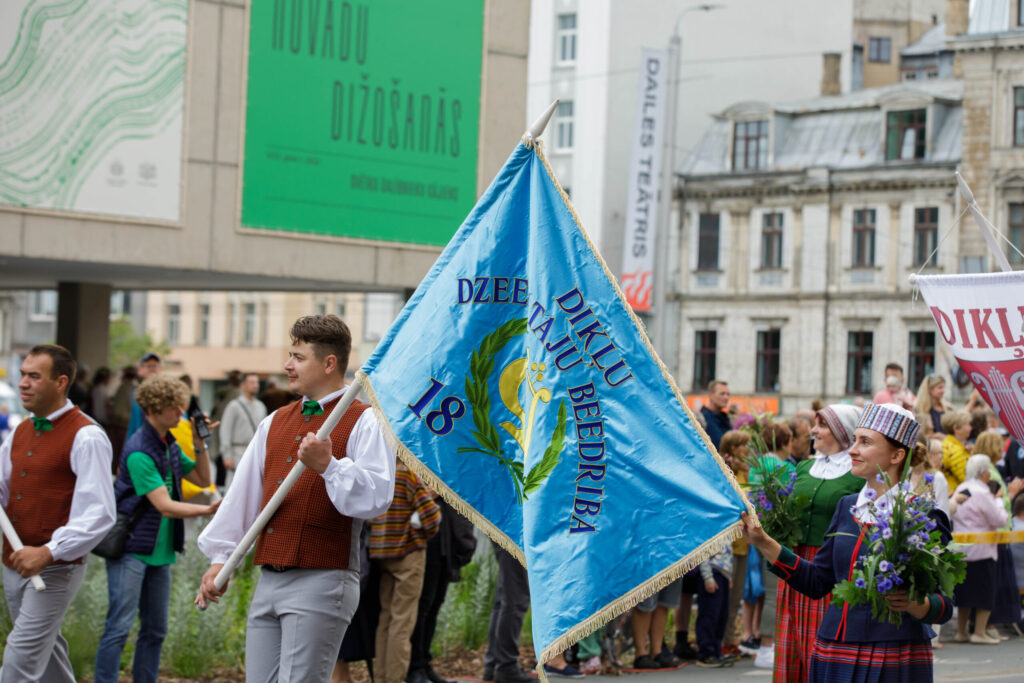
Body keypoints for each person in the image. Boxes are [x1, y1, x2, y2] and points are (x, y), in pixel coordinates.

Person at [196, 315, 398, 681]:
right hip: (269, 577)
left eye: (298, 357)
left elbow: (376, 497)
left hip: (323, 578)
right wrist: (220, 559)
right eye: (290, 355)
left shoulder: (366, 420)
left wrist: (329, 466)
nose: (287, 365)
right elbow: (243, 496)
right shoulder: (273, 421)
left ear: (329, 363)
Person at [742, 403, 954, 682]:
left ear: (897, 455)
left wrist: (917, 605)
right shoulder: (847, 506)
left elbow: (945, 604)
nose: (853, 450)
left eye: (865, 442)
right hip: (833, 646)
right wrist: (764, 542)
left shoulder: (923, 515)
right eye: (854, 440)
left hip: (892, 651)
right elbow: (818, 581)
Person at [94, 375, 221, 682]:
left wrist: (200, 441)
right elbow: (164, 505)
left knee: (155, 630)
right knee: (119, 627)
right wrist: (206, 509)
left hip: (159, 551)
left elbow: (203, 480)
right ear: (154, 408)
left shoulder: (169, 444)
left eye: (181, 404)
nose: (181, 410)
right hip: (133, 549)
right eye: (173, 406)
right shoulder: (139, 450)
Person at [1, 344, 116, 681]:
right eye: (23, 374)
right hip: (14, 562)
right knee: (46, 654)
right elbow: (5, 489)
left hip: (55, 568)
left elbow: (99, 513)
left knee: (19, 659)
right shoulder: (20, 430)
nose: (23, 382)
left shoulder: (87, 436)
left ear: (60, 382)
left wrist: (49, 551)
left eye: (34, 376)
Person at [774, 404, 863, 683]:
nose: (814, 431)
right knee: (790, 645)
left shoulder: (856, 474)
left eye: (822, 425)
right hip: (794, 561)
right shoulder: (803, 466)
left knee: (818, 645)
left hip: (830, 568)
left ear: (841, 431)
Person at [369, 460, 441, 683]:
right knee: (402, 622)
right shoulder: (408, 475)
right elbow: (431, 516)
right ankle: (396, 678)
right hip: (408, 554)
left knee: (385, 620)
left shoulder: (379, 473)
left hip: (382, 554)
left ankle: (380, 677)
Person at [408, 497, 477, 683]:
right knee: (422, 605)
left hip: (446, 531)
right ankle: (414, 667)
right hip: (424, 529)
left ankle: (424, 664)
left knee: (435, 603)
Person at [951, 454, 1009, 644]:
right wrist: (998, 499)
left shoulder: (962, 488)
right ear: (984, 473)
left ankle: (961, 631)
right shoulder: (983, 493)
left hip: (961, 549)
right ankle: (980, 632)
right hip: (982, 550)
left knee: (964, 594)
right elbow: (999, 519)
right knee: (985, 593)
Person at [715, 430, 752, 658]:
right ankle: (720, 641)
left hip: (743, 542)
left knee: (736, 596)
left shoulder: (744, 470)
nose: (748, 449)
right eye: (744, 445)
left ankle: (730, 639)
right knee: (725, 598)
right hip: (728, 543)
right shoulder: (725, 468)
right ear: (733, 447)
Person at [218, 373, 268, 488]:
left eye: (257, 383)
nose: (255, 386)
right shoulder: (234, 405)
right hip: (237, 451)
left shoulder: (261, 406)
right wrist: (227, 455)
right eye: (251, 383)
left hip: (255, 451)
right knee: (234, 485)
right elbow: (225, 431)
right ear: (243, 385)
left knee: (253, 486)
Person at [127, 353, 162, 438]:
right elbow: (134, 423)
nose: (152, 368)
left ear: (160, 369)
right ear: (140, 370)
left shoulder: (166, 394)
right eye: (148, 366)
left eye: (155, 365)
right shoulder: (136, 394)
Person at [940, 411, 972, 492]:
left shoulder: (946, 443)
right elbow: (966, 477)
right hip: (953, 493)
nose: (970, 428)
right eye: (967, 424)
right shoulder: (955, 450)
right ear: (956, 428)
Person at [700, 380, 733, 449]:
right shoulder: (703, 418)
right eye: (722, 394)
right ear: (710, 395)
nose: (726, 397)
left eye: (728, 394)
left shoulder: (724, 418)